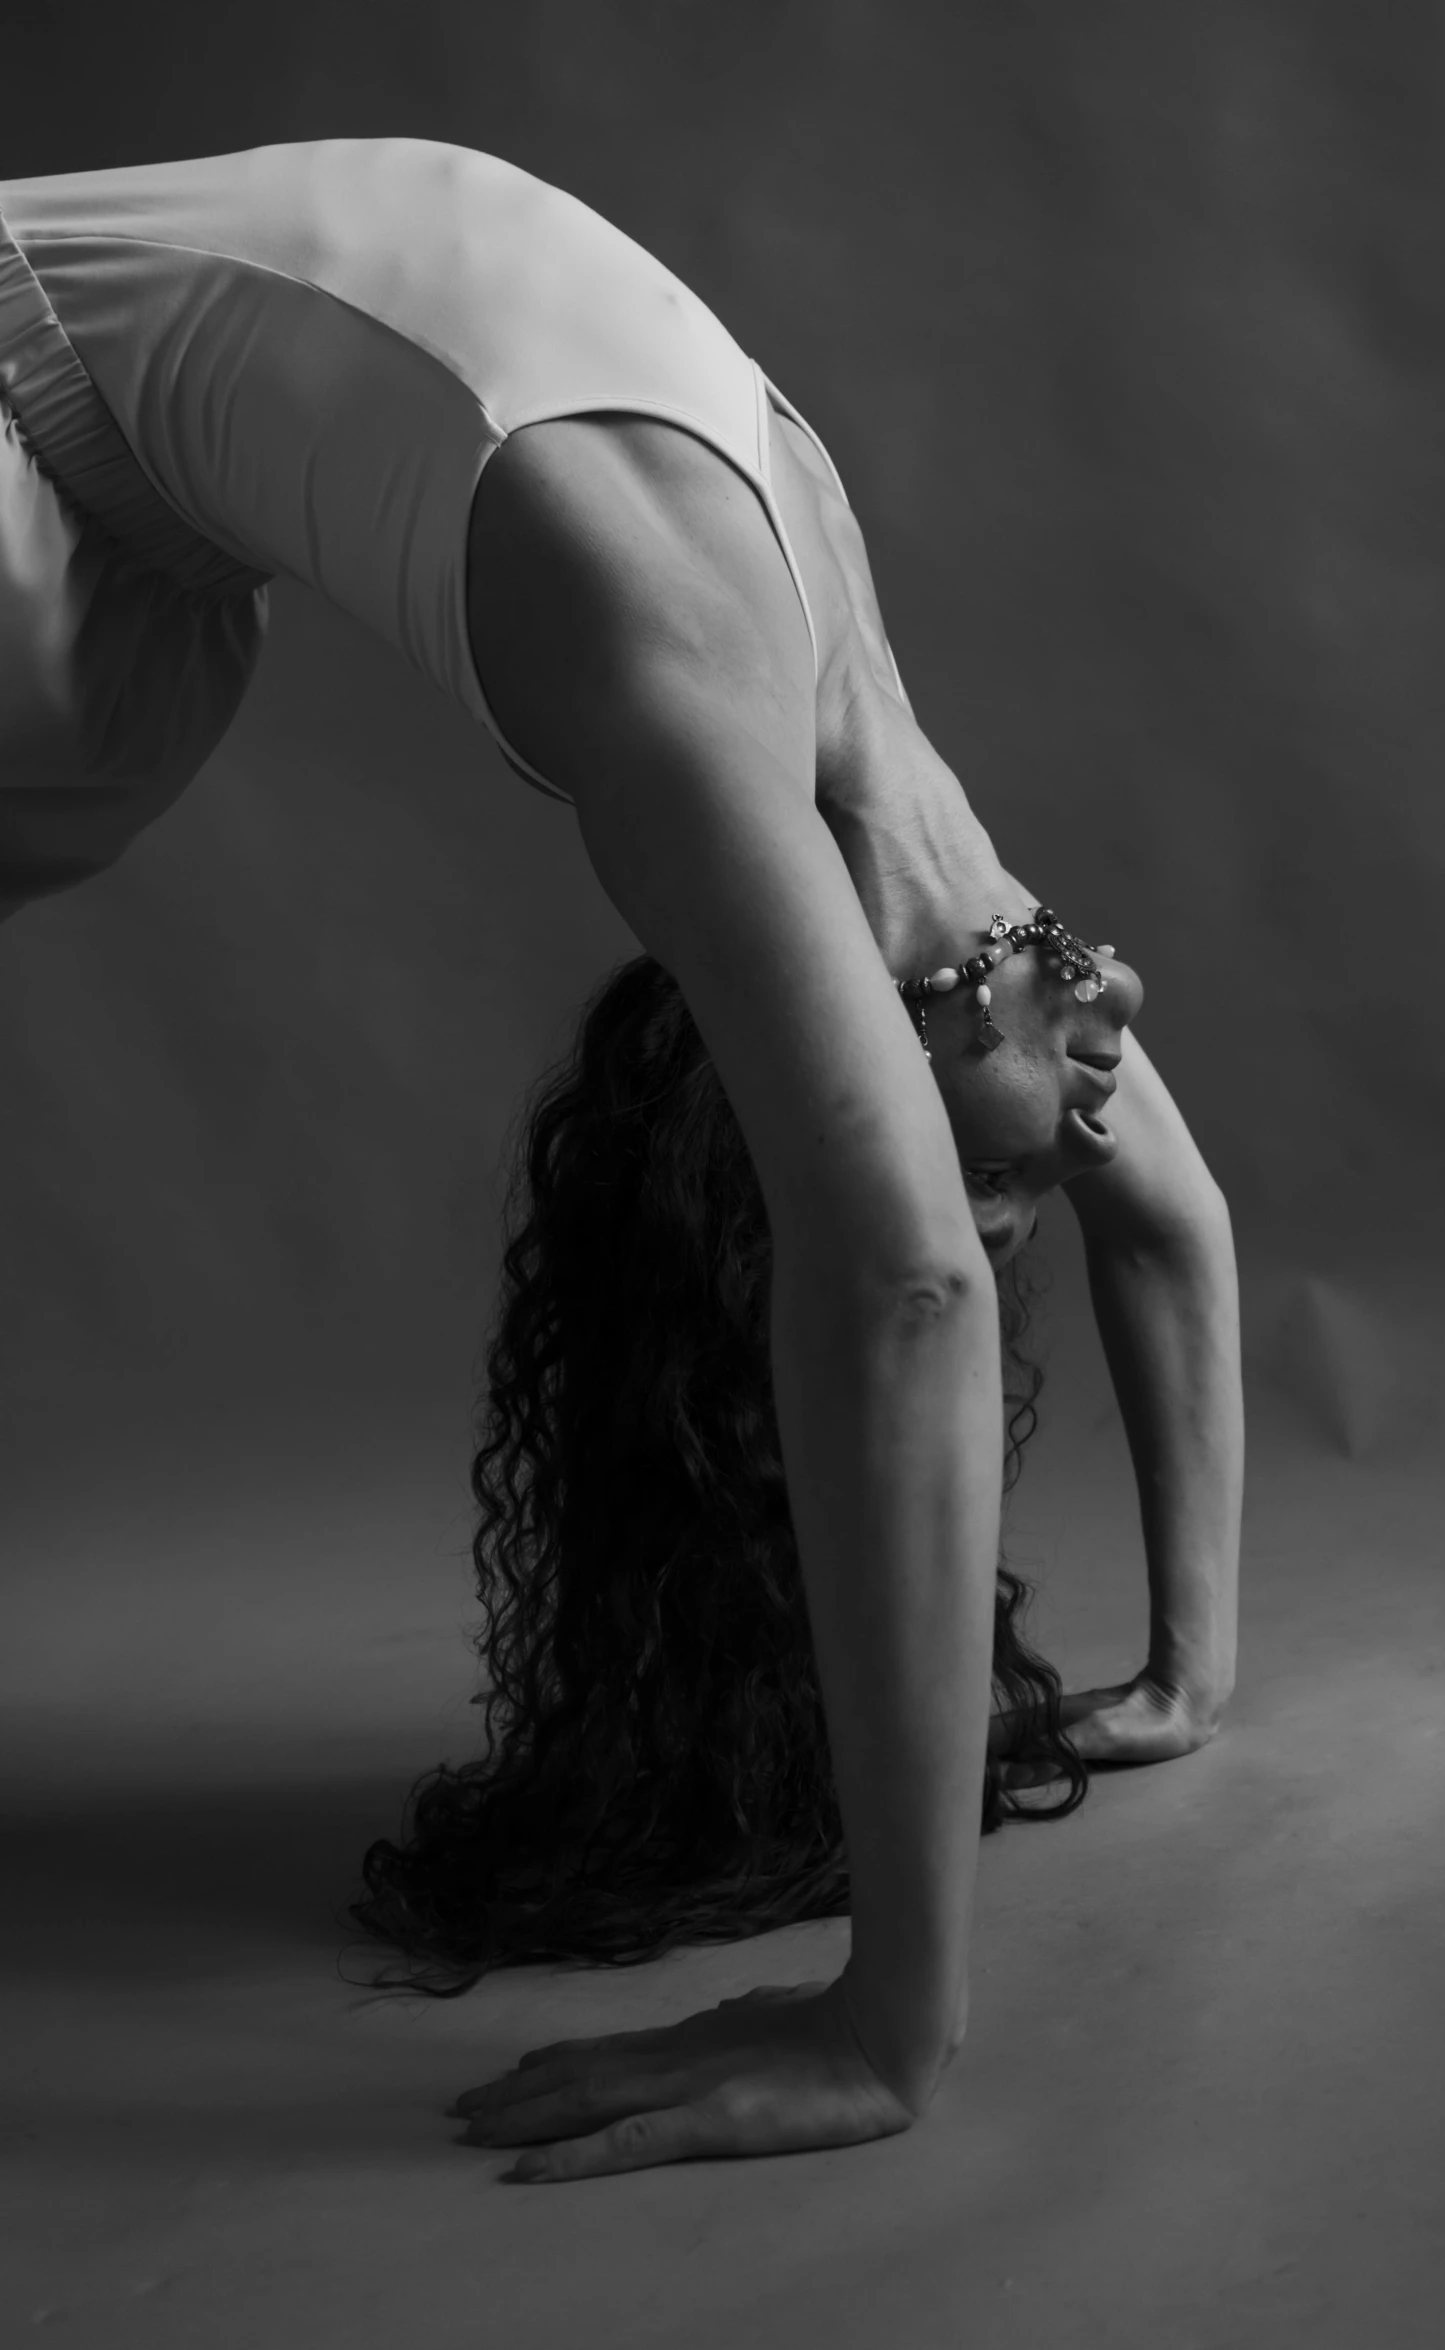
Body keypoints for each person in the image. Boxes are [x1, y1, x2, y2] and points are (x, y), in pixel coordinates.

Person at [0, 138, 1242, 2181]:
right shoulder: (905, 850)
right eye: (1025, 1180)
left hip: (104, 561)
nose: (1102, 1113)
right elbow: (1045, 1242)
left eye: (1021, 1173)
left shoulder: (811, 796)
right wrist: (914, 1987)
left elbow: (984, 1246)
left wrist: (1158, 1705)